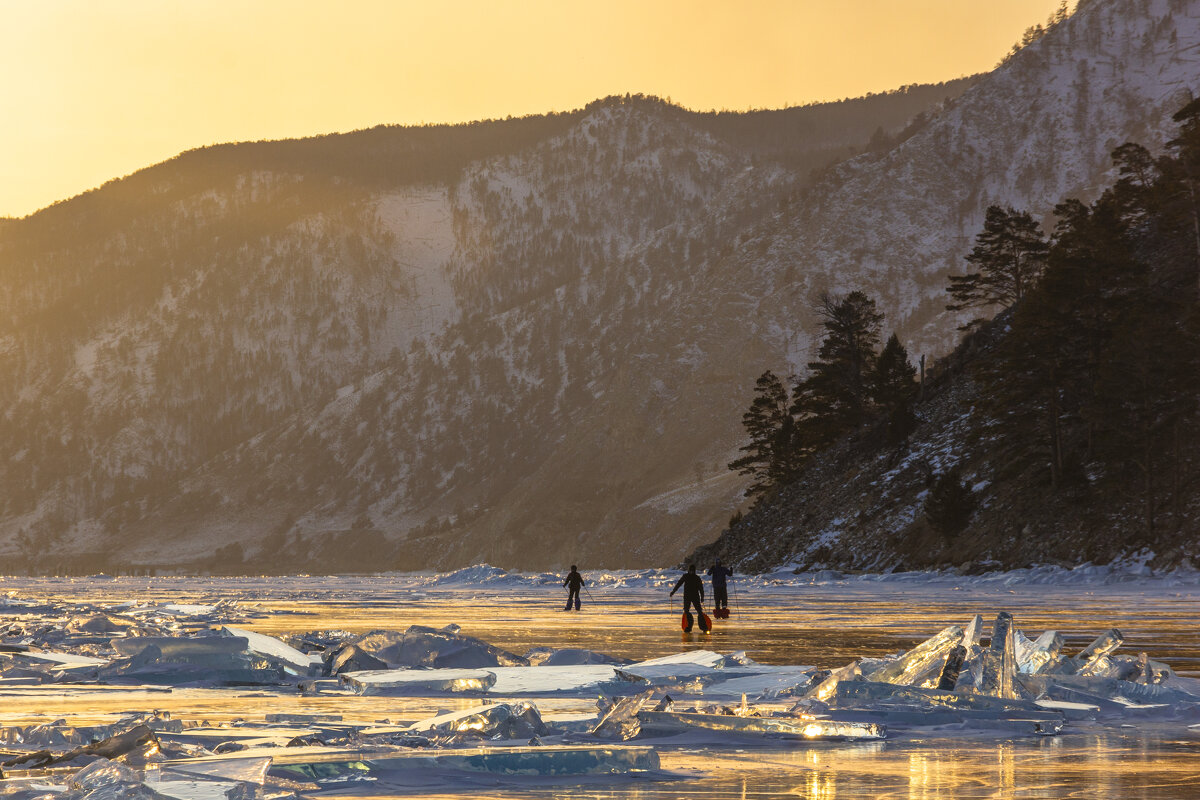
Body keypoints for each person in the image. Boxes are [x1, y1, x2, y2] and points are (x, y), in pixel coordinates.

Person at [669, 564, 706, 630]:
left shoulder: (697, 578)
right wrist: (673, 591)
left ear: (694, 571)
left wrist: (702, 597)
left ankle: (703, 626)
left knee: (699, 611)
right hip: (687, 596)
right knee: (686, 611)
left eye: (693, 571)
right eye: (690, 570)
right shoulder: (685, 576)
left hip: (695, 596)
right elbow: (679, 584)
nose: (691, 572)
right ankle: (689, 626)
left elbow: (701, 588)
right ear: (689, 570)